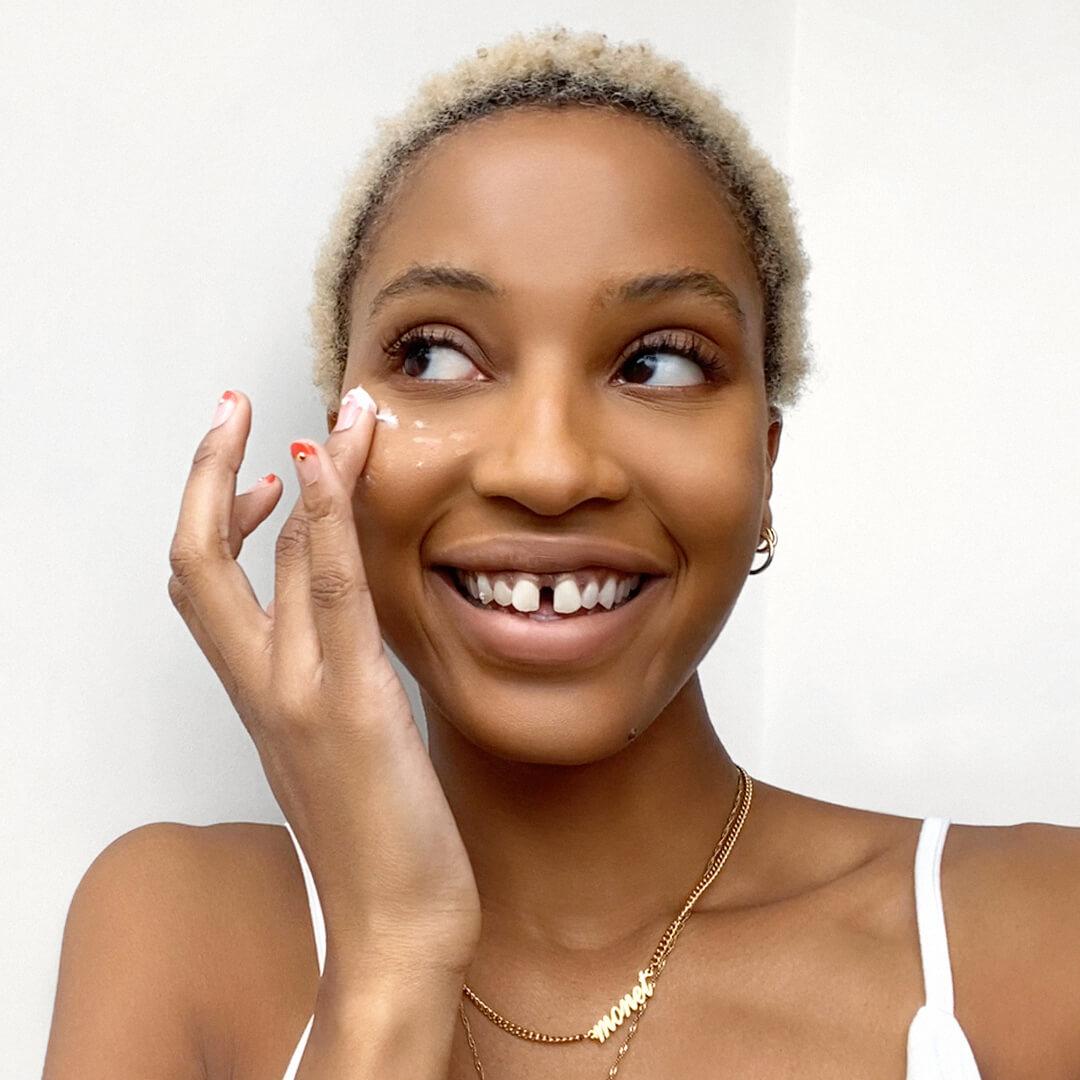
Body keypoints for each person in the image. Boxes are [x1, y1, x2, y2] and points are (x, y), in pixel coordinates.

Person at [43, 24, 1079, 1080]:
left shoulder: (1037, 943)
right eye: (437, 354)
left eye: (661, 365)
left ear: (764, 464)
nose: (546, 469)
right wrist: (393, 957)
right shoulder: (176, 934)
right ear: (337, 451)